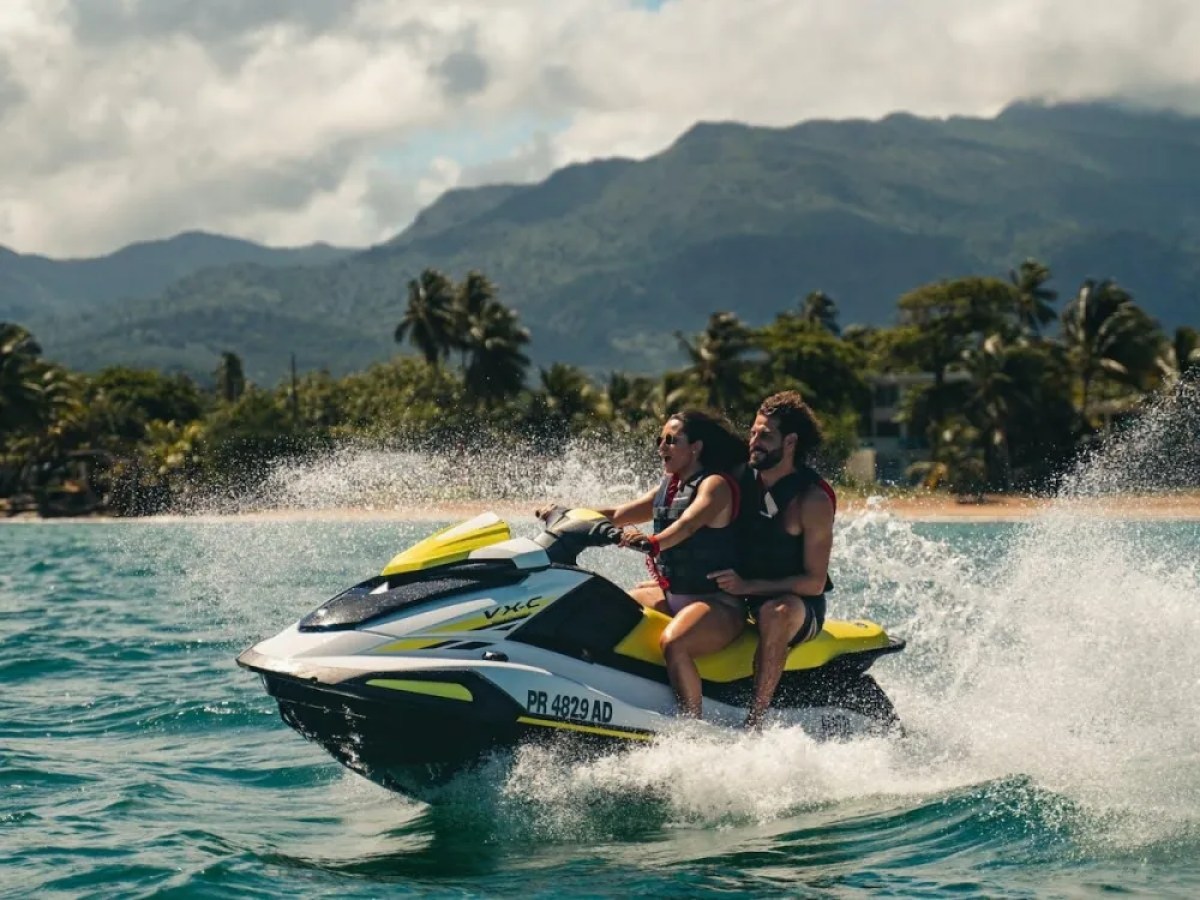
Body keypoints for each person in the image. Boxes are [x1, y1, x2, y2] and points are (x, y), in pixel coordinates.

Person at [542, 410, 747, 718]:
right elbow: (619, 512)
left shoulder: (715, 486)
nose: (661, 447)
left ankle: (691, 726)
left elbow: (689, 525)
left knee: (674, 642)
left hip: (717, 603)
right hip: (673, 594)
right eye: (659, 440)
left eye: (671, 440)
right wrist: (567, 515)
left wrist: (653, 542)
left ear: (696, 447)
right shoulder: (670, 485)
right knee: (608, 608)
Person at [707, 391, 836, 729]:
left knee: (774, 614)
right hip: (741, 594)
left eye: (765, 435)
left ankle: (756, 722)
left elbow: (814, 582)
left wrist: (749, 585)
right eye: (753, 432)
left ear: (790, 441)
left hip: (797, 605)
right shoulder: (740, 477)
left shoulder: (811, 499)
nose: (755, 441)